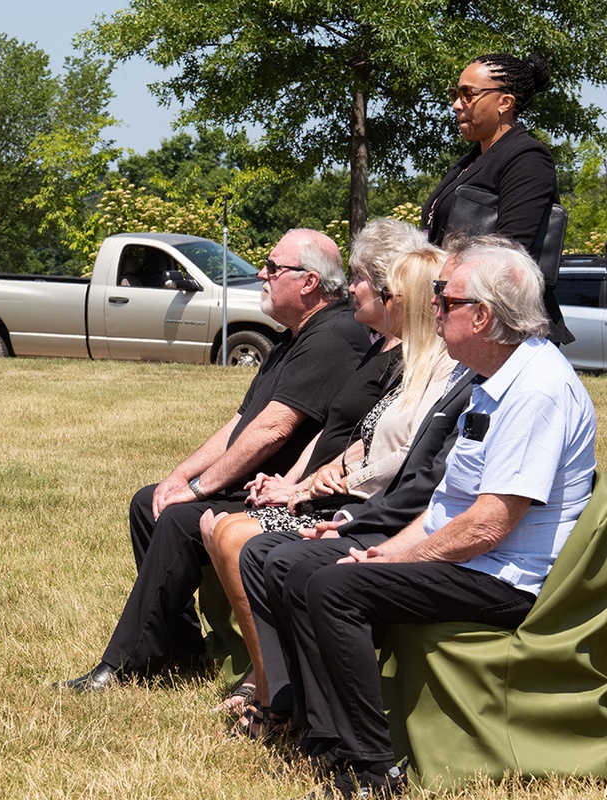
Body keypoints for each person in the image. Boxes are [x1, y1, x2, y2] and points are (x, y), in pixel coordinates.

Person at [286, 240, 596, 798]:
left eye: (443, 298)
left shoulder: (537, 391)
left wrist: (398, 559)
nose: (431, 308)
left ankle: (371, 770)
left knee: (336, 589)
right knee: (307, 570)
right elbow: (446, 506)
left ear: (482, 315)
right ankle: (327, 739)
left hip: (507, 580)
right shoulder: (490, 378)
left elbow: (488, 526)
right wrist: (387, 552)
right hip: (476, 560)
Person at [57, 228, 373, 692]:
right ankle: (178, 648)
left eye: (272, 266)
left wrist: (200, 490)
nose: (262, 274)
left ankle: (125, 663)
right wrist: (180, 476)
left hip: (286, 494)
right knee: (150, 502)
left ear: (308, 283)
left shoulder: (334, 335)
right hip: (251, 482)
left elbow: (273, 431)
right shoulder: (292, 338)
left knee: (181, 517)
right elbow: (241, 422)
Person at [203, 241, 454, 734]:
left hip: (369, 509)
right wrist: (300, 482)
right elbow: (359, 440)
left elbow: (403, 465)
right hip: (356, 502)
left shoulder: (433, 370)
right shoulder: (401, 362)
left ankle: (275, 694)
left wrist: (327, 498)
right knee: (216, 524)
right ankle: (271, 683)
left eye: (380, 287)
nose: (361, 291)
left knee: (234, 536)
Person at [422, 51, 571, 344]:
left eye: (467, 94)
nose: (456, 104)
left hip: (502, 331)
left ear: (505, 102)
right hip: (460, 315)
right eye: (455, 93)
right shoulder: (469, 161)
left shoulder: (527, 158)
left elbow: (508, 249)